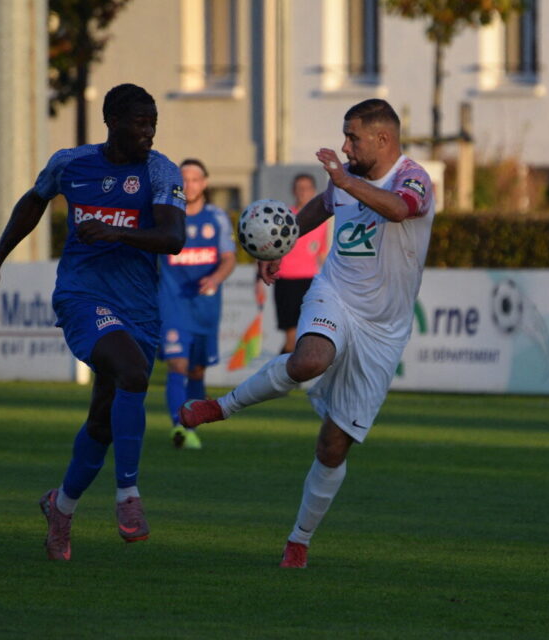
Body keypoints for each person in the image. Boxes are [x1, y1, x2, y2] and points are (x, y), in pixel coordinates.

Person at [179, 98, 435, 568]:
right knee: (309, 359)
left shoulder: (412, 177)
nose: (345, 146)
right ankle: (221, 406)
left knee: (332, 445)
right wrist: (282, 243)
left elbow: (401, 209)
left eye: (353, 137)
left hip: (383, 330)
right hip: (335, 293)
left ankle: (299, 539)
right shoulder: (347, 179)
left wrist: (346, 181)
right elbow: (322, 205)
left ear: (383, 138)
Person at [0, 84, 187, 561]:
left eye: (153, 123)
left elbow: (173, 237)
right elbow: (34, 201)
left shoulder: (160, 171)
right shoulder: (71, 163)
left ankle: (61, 507)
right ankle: (128, 495)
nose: (149, 132)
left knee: (102, 421)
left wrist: (116, 232)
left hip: (139, 308)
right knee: (133, 372)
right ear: (111, 122)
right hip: (82, 297)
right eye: (139, 124)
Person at [159, 159, 236, 450]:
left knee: (197, 371)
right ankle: (178, 427)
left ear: (204, 184)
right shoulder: (165, 215)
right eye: (184, 179)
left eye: (195, 180)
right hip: (172, 304)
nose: (189, 185)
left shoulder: (216, 218)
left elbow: (229, 258)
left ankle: (190, 427)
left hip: (205, 307)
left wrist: (215, 278)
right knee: (177, 364)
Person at [262, 173, 329, 354]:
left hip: (310, 282)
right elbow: (268, 248)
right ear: (293, 191)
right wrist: (259, 279)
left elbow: (321, 252)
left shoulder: (321, 221)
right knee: (291, 340)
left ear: (313, 191)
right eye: (299, 188)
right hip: (286, 281)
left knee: (306, 337)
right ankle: (281, 369)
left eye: (307, 189)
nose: (303, 192)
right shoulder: (284, 217)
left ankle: (292, 370)